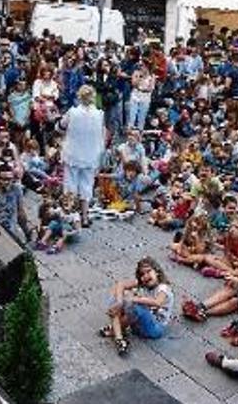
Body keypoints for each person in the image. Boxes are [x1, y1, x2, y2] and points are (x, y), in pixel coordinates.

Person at [102, 257, 174, 355]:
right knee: (118, 293)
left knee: (134, 304)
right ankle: (119, 339)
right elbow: (121, 284)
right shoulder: (142, 284)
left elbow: (157, 302)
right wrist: (119, 302)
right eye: (142, 274)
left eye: (148, 271)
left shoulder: (163, 288)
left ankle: (116, 331)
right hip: (137, 326)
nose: (146, 276)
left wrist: (133, 299)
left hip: (154, 328)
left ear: (157, 271)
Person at [61, 85, 106, 227]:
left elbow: (61, 126)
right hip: (91, 154)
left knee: (70, 184)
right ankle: (85, 217)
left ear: (79, 97)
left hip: (73, 153)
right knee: (87, 185)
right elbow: (102, 134)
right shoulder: (99, 114)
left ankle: (71, 216)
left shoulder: (72, 112)